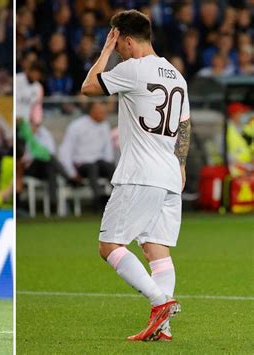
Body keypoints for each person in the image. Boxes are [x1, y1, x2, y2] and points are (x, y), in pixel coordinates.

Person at [81, 10, 191, 341]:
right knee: (156, 250)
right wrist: (181, 165)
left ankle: (160, 303)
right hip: (170, 174)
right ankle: (164, 328)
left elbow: (88, 87)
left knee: (109, 245)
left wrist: (103, 53)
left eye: (118, 45)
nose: (117, 52)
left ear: (127, 40)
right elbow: (184, 125)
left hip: (140, 174)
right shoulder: (176, 75)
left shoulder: (132, 70)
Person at [59, 101, 115, 209]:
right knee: (92, 167)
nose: (104, 114)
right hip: (81, 165)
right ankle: (98, 202)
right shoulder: (76, 126)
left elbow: (108, 151)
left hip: (99, 162)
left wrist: (109, 162)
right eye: (101, 112)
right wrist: (71, 173)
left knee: (110, 167)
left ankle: (118, 200)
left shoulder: (105, 126)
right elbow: (65, 151)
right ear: (92, 112)